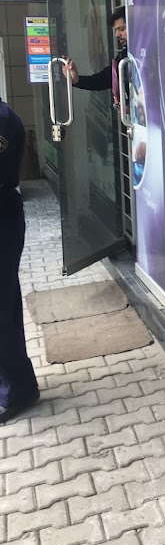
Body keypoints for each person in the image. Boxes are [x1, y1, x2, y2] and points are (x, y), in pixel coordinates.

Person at [0, 97, 39, 424]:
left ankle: (19, 387)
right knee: (6, 306)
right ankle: (13, 384)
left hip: (3, 219)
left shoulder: (2, 120)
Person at [63, 6, 127, 102]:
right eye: (116, 30)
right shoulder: (124, 55)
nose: (117, 34)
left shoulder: (147, 54)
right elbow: (104, 79)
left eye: (121, 29)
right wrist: (76, 80)